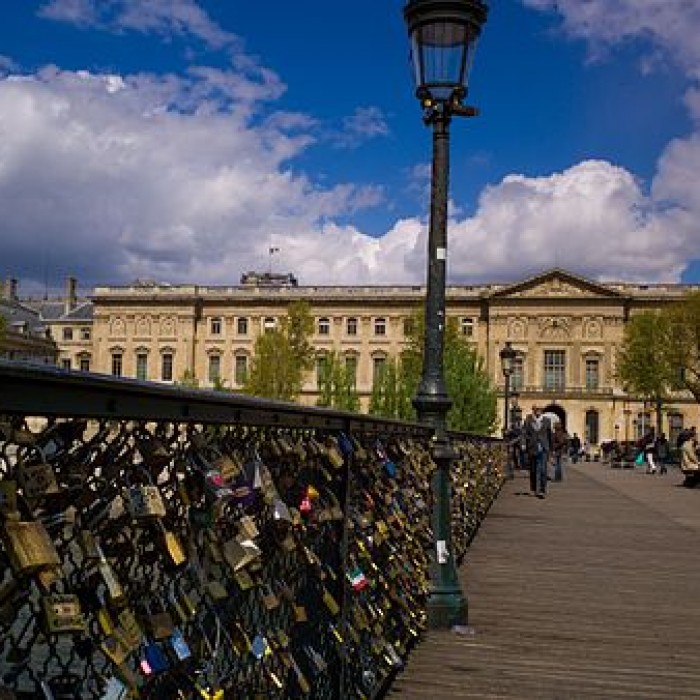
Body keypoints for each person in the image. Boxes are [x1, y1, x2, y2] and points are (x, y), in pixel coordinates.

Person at [523, 405, 552, 498]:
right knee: (533, 470)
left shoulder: (547, 420)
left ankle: (542, 490)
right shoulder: (528, 419)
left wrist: (550, 449)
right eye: (536, 410)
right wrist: (524, 443)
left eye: (540, 410)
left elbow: (549, 435)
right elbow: (524, 433)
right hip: (532, 447)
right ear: (534, 410)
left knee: (543, 469)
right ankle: (533, 489)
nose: (538, 411)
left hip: (543, 448)